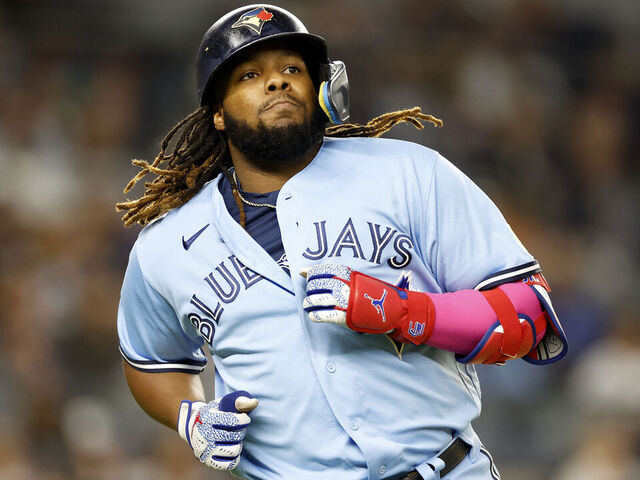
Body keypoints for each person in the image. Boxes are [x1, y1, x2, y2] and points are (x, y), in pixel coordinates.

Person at [116, 4, 568, 479]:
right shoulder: (166, 246)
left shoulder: (409, 172)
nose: (277, 82)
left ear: (322, 89)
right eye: (250, 74)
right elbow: (151, 360)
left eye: (292, 68)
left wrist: (406, 313)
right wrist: (191, 417)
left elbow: (527, 315)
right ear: (219, 116)